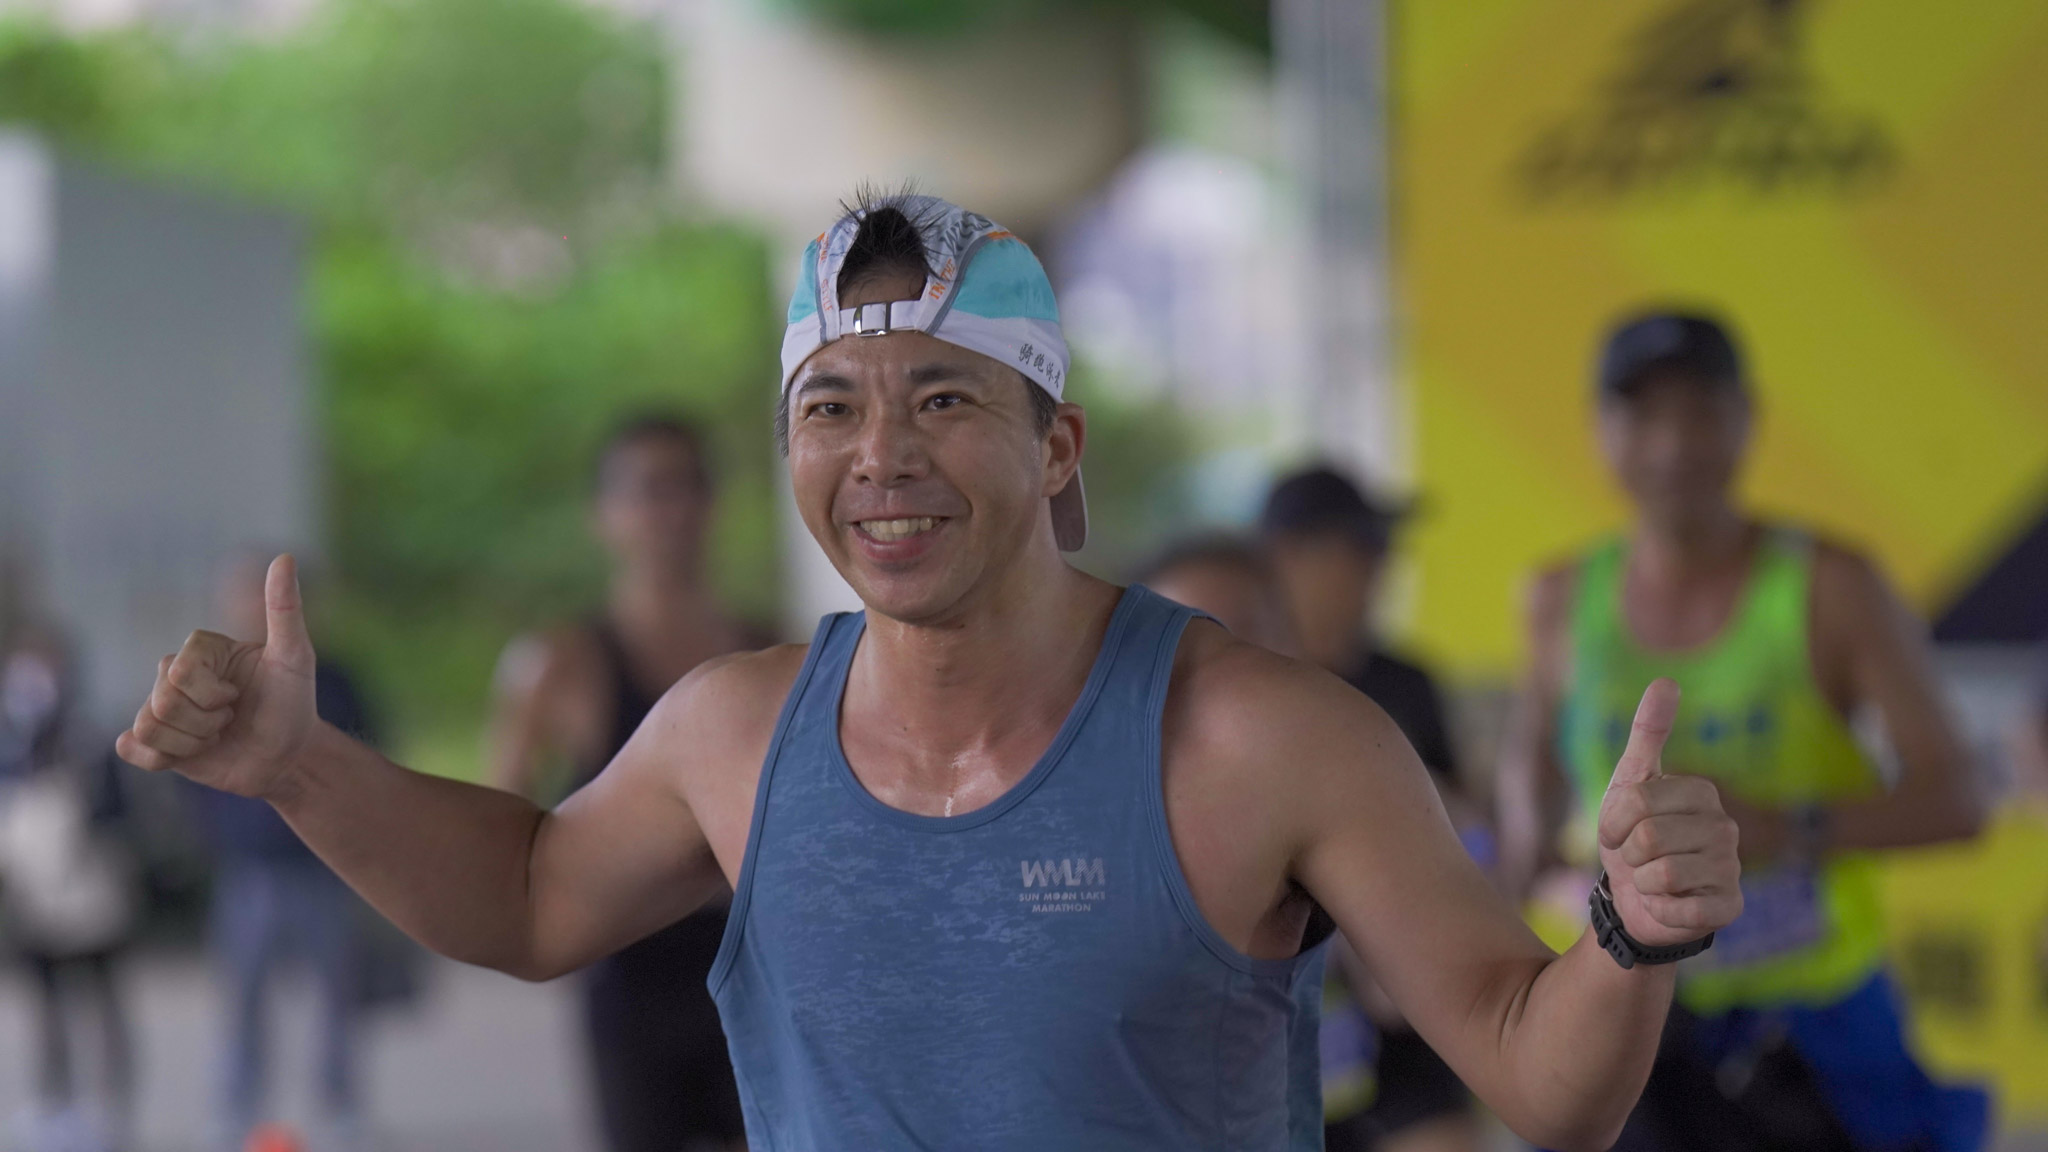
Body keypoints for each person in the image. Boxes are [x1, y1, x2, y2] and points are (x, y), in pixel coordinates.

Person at [116, 192, 1744, 1152]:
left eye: (946, 400)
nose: (881, 456)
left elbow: (1542, 1074)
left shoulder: (1259, 736)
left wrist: (1633, 929)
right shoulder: (733, 730)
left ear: (1058, 445)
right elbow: (534, 897)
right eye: (830, 407)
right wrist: (298, 767)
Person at [1496, 310, 1991, 1152]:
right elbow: (1531, 756)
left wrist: (1778, 828)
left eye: (1699, 411)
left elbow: (1960, 799)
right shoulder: (1558, 598)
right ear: (1600, 430)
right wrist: (1527, 848)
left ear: (1747, 419)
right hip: (1627, 1015)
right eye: (1644, 415)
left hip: (1817, 1029)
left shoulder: (1831, 585)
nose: (1672, 444)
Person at [487, 415, 754, 1152]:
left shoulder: (769, 649)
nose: (670, 509)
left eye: (686, 485)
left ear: (712, 502)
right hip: (630, 986)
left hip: (754, 977)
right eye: (647, 489)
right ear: (603, 514)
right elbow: (502, 827)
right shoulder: (557, 663)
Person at [1259, 468, 1486, 1152]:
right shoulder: (1238, 686)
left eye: (1384, 549)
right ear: (1285, 559)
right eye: (1360, 548)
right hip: (1271, 1016)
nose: (1380, 567)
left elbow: (1470, 831)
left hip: (1399, 1008)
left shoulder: (1406, 683)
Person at [186, 552, 377, 1152]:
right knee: (242, 997)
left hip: (324, 865)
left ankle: (340, 1104)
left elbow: (371, 760)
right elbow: (186, 775)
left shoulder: (335, 680)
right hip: (250, 868)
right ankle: (237, 1107)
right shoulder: (217, 684)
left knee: (337, 995)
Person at [0, 629, 137, 1152]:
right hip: (33, 898)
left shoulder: (90, 740)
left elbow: (119, 813)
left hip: (91, 896)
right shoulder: (12, 744)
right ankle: (54, 1103)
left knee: (102, 1004)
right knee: (46, 1010)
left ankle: (111, 1105)